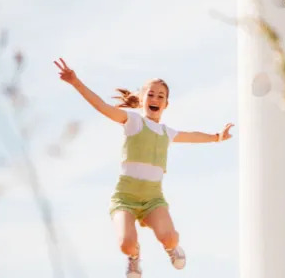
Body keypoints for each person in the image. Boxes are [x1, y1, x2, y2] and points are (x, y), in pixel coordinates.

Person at [54, 58, 234, 277]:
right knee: (126, 244)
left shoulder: (167, 133)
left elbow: (193, 136)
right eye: (150, 94)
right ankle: (134, 256)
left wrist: (217, 137)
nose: (155, 99)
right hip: (125, 197)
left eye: (161, 96)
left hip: (152, 199)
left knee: (169, 237)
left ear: (166, 104)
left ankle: (171, 248)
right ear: (140, 100)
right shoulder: (132, 121)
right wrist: (76, 82)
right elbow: (102, 106)